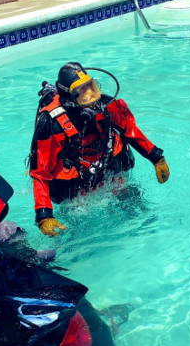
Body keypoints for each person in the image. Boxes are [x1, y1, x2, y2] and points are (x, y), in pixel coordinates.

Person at [28, 62, 170, 237]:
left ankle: (151, 233)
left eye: (91, 86)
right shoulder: (52, 124)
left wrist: (157, 157)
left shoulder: (107, 105)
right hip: (74, 183)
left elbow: (130, 131)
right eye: (82, 91)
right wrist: (44, 215)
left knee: (134, 202)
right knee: (78, 225)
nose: (91, 95)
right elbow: (40, 172)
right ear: (69, 98)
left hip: (107, 167)